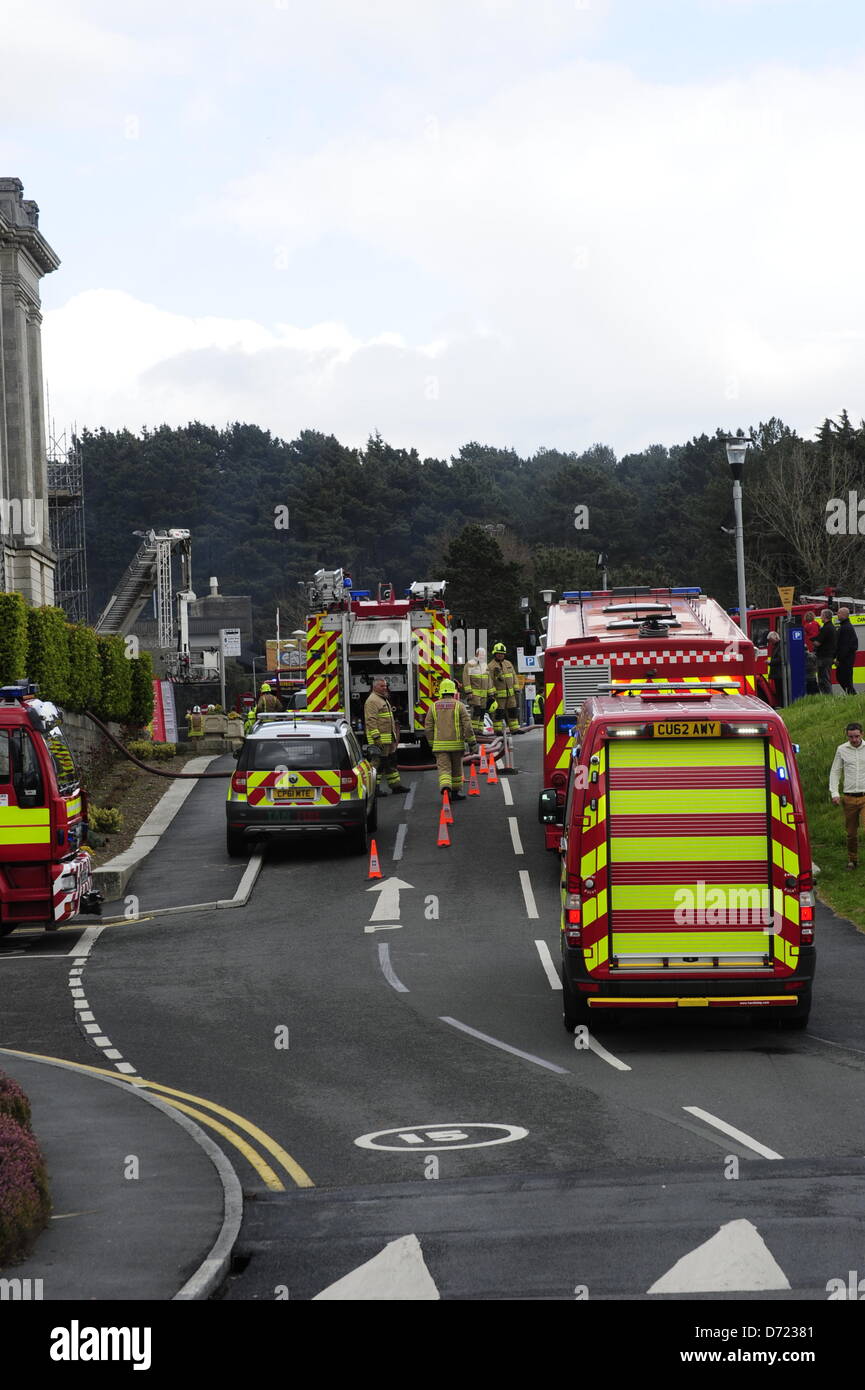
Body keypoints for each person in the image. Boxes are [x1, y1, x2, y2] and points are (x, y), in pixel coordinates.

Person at [423, 677, 477, 800]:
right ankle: (455, 793)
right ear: (454, 691)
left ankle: (445, 787)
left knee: (444, 769)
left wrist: (432, 743)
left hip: (440, 746)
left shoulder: (433, 706)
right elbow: (467, 726)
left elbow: (428, 727)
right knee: (457, 769)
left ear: (441, 691)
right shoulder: (460, 706)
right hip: (457, 745)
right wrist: (472, 743)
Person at [364, 677, 408, 795]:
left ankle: (396, 786)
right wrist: (376, 737)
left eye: (385, 686)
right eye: (382, 686)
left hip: (387, 739)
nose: (385, 688)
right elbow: (371, 720)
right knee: (377, 765)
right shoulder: (372, 701)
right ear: (375, 687)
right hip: (379, 740)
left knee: (390, 763)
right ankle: (374, 789)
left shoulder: (382, 699)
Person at [830, 721, 865, 868]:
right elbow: (835, 771)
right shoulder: (841, 749)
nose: (854, 740)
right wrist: (834, 793)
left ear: (861, 734)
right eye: (851, 737)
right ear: (847, 736)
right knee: (851, 833)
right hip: (849, 797)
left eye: (856, 736)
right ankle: (853, 859)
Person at [488, 643, 519, 734]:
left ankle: (515, 729)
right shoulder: (490, 666)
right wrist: (492, 692)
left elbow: (514, 677)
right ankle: (498, 730)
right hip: (498, 696)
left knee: (512, 712)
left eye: (502, 653)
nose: (500, 655)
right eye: (498, 653)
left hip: (511, 694)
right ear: (495, 654)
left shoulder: (508, 663)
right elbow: (489, 680)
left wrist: (516, 688)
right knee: (498, 713)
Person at [462, 647, 492, 738]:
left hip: (484, 695)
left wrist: (490, 693)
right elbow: (466, 678)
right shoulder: (470, 664)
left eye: (483, 655)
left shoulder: (485, 665)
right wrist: (468, 692)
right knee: (476, 711)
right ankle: (473, 731)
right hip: (474, 694)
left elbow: (489, 679)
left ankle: (479, 730)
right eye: (480, 655)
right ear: (476, 654)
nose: (482, 657)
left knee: (482, 712)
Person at [835, 607, 858, 695]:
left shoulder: (846, 628)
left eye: (839, 613)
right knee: (844, 679)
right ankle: (851, 695)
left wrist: (839, 659)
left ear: (844, 615)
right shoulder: (845, 626)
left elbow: (844, 646)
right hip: (847, 658)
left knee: (843, 678)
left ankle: (852, 695)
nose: (837, 614)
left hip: (846, 659)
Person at [814, 608, 837, 695]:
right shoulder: (831, 627)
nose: (820, 617)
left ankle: (828, 698)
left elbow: (818, 643)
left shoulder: (826, 628)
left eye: (821, 615)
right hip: (828, 657)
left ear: (825, 616)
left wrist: (811, 639)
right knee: (824, 678)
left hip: (824, 657)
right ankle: (827, 698)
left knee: (823, 679)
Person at [765, 631, 783, 707]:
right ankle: (781, 704)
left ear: (775, 638)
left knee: (780, 690)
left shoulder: (780, 646)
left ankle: (782, 704)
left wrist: (770, 662)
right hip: (777, 673)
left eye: (771, 640)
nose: (770, 643)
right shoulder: (777, 646)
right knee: (778, 690)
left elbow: (780, 659)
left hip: (779, 673)